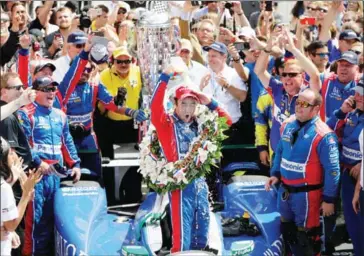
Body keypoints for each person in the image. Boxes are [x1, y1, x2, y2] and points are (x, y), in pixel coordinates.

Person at [150, 65, 232, 253]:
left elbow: (227, 121)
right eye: (184, 104)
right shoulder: (167, 124)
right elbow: (155, 107)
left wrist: (208, 101)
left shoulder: (202, 123)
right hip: (179, 187)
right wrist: (164, 77)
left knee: (202, 233)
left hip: (200, 185)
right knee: (182, 238)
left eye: (192, 104)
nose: (188, 109)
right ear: (175, 104)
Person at [265, 88, 340, 255]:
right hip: (285, 192)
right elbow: (280, 152)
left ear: (315, 109)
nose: (298, 107)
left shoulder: (325, 136)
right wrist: (275, 174)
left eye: (304, 104)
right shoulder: (287, 126)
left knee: (306, 240)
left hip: (307, 197)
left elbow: (333, 171)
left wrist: (329, 199)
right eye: (297, 102)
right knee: (287, 234)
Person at [61, 40, 146, 177]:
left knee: (95, 174)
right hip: (66, 138)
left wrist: (132, 112)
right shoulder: (63, 89)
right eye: (81, 70)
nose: (84, 73)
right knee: (69, 176)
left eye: (88, 70)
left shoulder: (94, 86)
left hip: (87, 137)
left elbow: (112, 104)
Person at [17, 77, 81, 256]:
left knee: (55, 221)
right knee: (35, 224)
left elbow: (67, 141)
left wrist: (75, 164)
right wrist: (39, 162)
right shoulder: (25, 113)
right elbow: (24, 145)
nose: (51, 93)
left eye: (53, 89)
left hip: (56, 176)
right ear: (35, 92)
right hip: (35, 175)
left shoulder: (60, 115)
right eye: (46, 89)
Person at [327, 78, 364, 256]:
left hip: (362, 178)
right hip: (347, 173)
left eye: (363, 93)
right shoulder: (351, 113)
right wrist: (341, 111)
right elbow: (326, 129)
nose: (359, 96)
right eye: (357, 92)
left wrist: (362, 165)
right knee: (352, 223)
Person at [1, 137, 42, 256]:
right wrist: (26, 194)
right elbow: (11, 225)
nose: (13, 155)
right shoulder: (4, 187)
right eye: (10, 152)